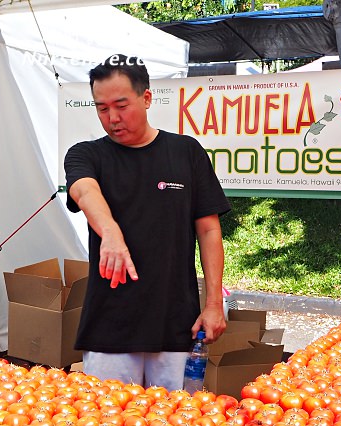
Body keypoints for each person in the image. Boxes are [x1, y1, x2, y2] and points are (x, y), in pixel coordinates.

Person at [64, 54, 229, 390]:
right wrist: (110, 231)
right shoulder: (86, 154)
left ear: (147, 98)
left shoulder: (186, 152)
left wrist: (213, 304)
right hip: (110, 326)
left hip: (175, 326)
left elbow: (209, 229)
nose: (112, 118)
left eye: (121, 105)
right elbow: (84, 191)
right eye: (102, 108)